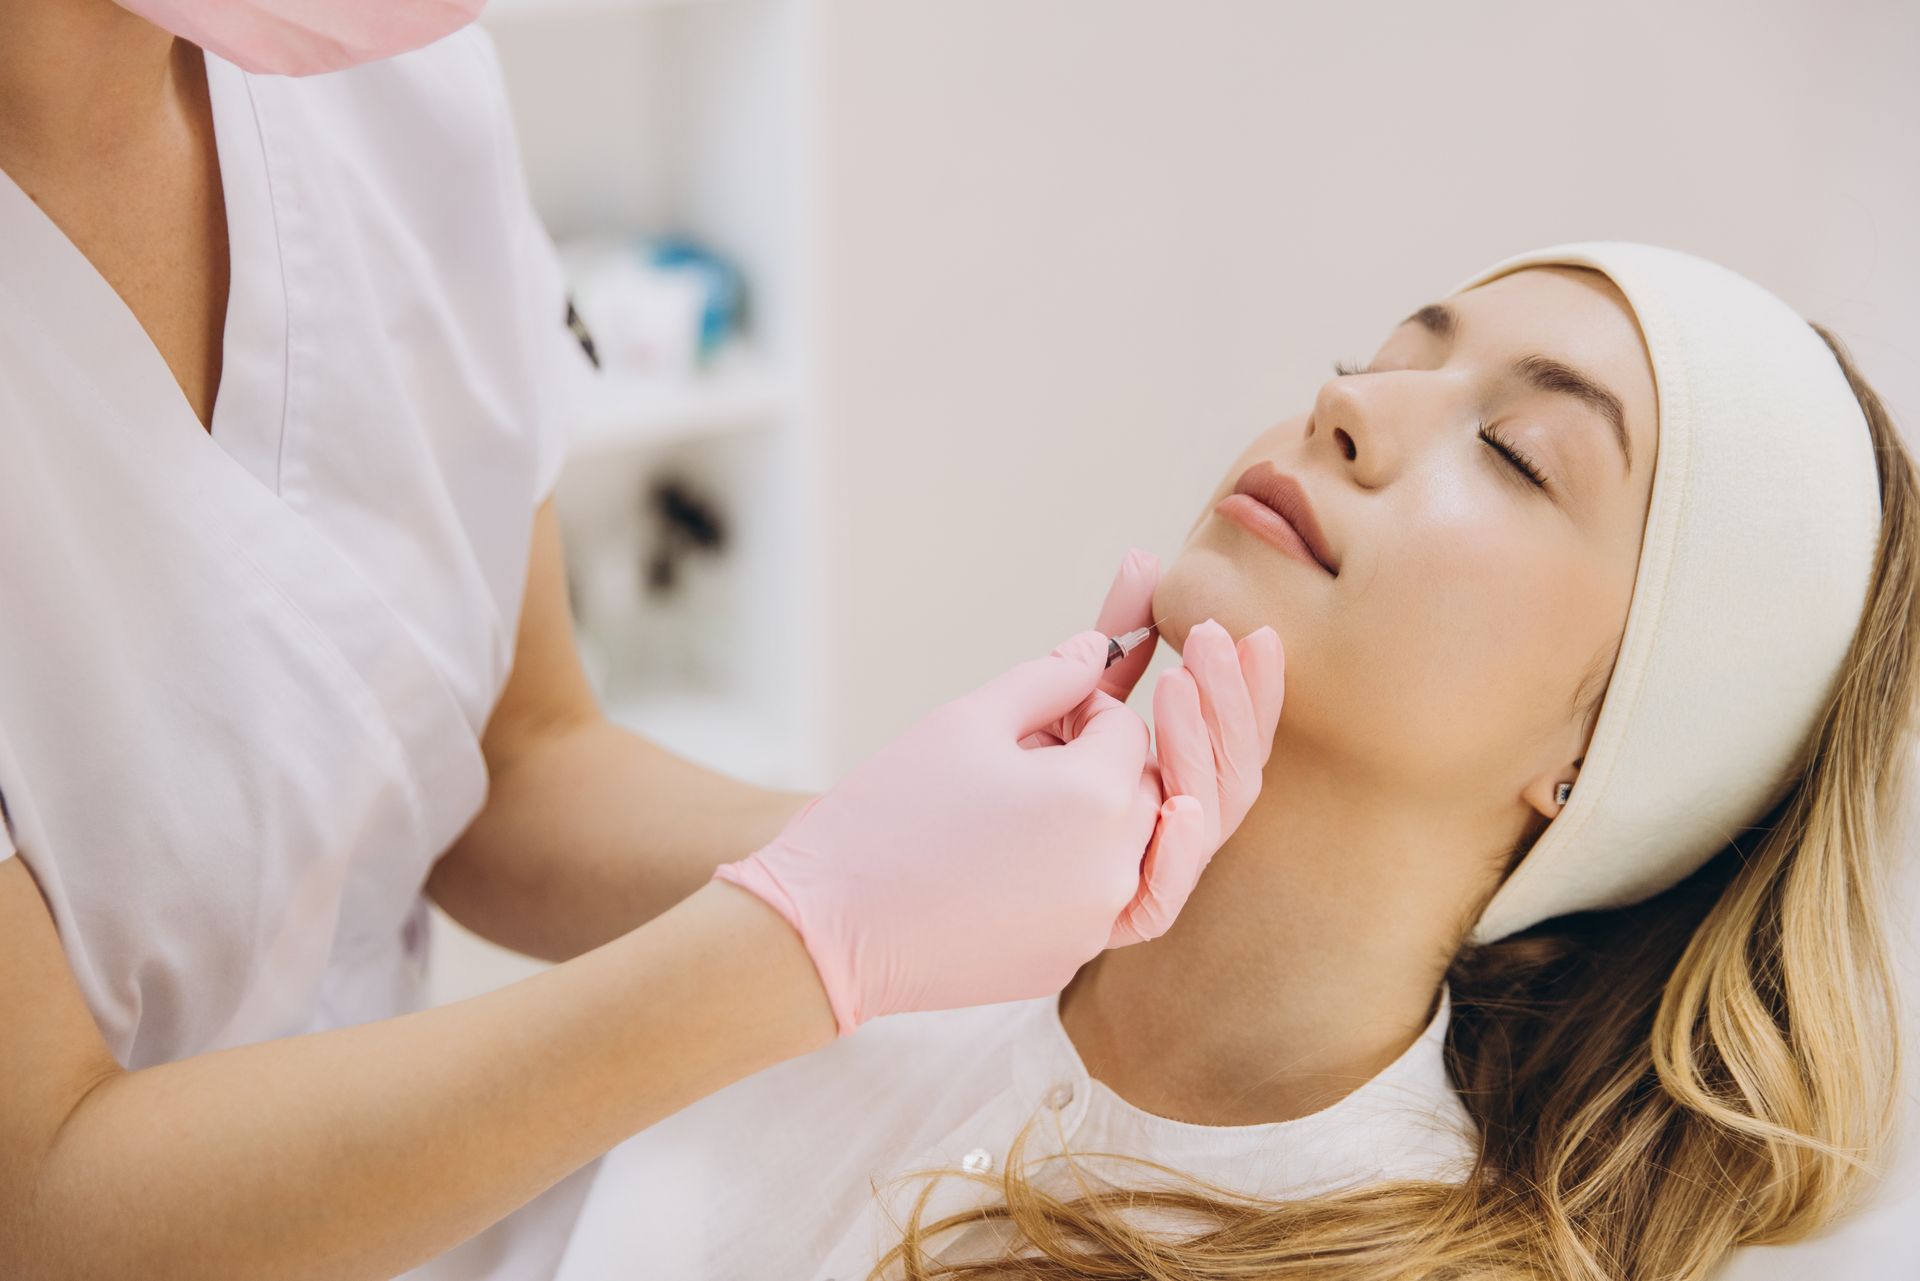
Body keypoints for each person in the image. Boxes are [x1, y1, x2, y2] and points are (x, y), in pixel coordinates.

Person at [0, 4, 1283, 1278]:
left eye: (1499, 445)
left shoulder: (401, 100)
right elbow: (46, 1202)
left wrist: (925, 853)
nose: (1342, 411)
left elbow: (519, 765)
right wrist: (813, 933)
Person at [544, 244, 1917, 1281]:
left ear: (1606, 750)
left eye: (1513, 451)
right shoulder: (886, 910)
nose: (1344, 403)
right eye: (1378, 355)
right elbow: (516, 799)